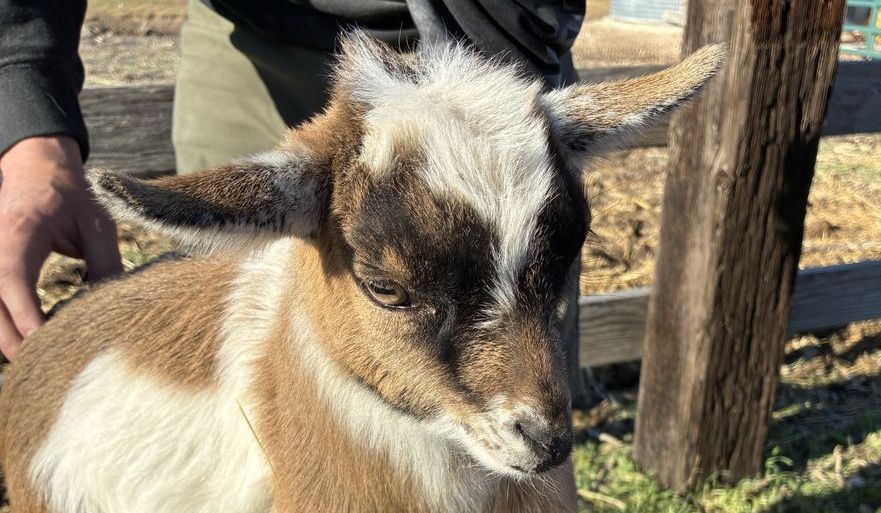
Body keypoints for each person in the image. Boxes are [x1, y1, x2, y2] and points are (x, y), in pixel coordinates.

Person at [0, 0, 585, 389]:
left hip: (491, 42)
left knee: (513, 393)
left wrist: (507, 93)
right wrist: (32, 131)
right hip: (256, 30)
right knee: (244, 374)